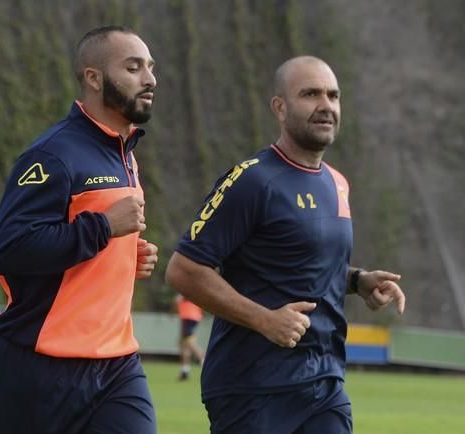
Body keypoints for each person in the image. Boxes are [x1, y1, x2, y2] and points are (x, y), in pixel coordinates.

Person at [165, 56, 406, 434]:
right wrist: (265, 319)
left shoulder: (337, 183)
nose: (325, 105)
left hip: (324, 384)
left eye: (333, 95)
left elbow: (297, 262)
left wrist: (358, 280)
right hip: (252, 389)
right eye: (310, 94)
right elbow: (184, 269)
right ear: (280, 107)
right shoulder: (252, 181)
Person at [0, 26, 159, 434]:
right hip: (39, 367)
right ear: (93, 78)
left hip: (117, 365)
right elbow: (9, 249)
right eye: (133, 67)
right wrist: (103, 227)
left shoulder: (125, 154)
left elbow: (82, 243)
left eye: (150, 68)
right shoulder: (53, 154)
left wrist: (123, 254)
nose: (150, 79)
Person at [176, 294, 205, 381]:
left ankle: (204, 361)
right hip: (189, 316)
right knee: (185, 344)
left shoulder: (185, 287)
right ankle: (185, 370)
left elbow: (179, 299)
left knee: (188, 342)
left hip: (189, 316)